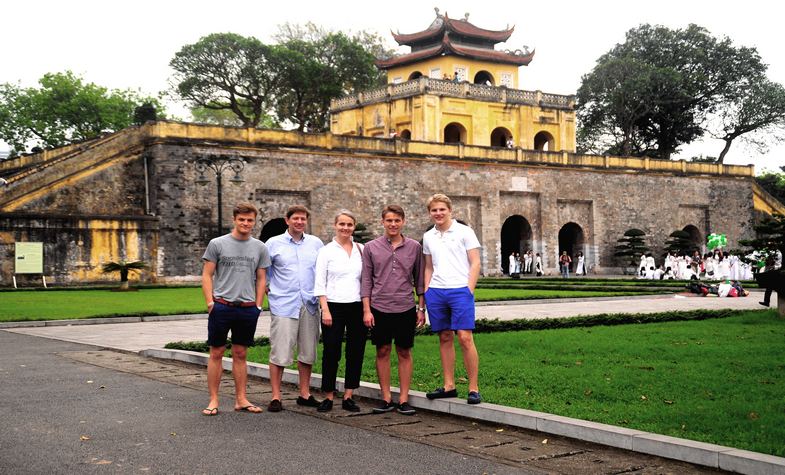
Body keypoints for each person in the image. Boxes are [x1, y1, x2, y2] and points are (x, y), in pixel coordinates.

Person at [201, 202, 271, 416]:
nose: (246, 223)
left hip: (247, 308)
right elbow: (207, 274)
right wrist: (210, 303)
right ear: (234, 219)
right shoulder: (217, 244)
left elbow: (261, 278)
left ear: (254, 221)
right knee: (217, 352)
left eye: (250, 220)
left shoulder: (259, 247)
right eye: (242, 219)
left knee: (241, 353)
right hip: (222, 306)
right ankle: (213, 399)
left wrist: (258, 305)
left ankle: (241, 399)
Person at [361, 205, 425, 415]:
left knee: (404, 351)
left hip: (405, 306)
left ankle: (404, 398)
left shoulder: (414, 247)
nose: (393, 224)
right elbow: (366, 280)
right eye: (389, 220)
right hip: (379, 307)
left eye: (397, 220)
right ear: (383, 222)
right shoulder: (371, 247)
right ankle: (386, 397)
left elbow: (420, 280)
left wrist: (421, 308)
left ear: (403, 222)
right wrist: (366, 310)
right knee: (382, 350)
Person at [422, 194, 482, 404]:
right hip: (437, 291)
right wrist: (427, 290)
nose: (438, 214)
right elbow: (428, 266)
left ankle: (473, 388)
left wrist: (469, 289)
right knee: (444, 337)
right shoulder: (429, 236)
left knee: (465, 337)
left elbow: (475, 263)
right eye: (434, 210)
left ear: (450, 210)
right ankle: (449, 385)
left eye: (442, 210)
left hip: (460, 290)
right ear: (430, 213)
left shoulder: (465, 232)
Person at [265, 205, 324, 412]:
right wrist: (268, 290)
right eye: (296, 218)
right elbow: (264, 272)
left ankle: (305, 394)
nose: (299, 222)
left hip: (309, 304)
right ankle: (275, 396)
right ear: (287, 220)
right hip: (284, 304)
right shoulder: (273, 243)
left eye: (303, 219)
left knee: (308, 353)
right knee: (279, 352)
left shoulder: (316, 244)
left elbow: (322, 271)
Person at [313, 210, 366, 412]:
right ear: (335, 225)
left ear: (354, 226)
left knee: (355, 351)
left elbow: (366, 281)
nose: (345, 228)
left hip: (357, 306)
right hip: (333, 306)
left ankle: (349, 395)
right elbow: (319, 282)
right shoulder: (326, 251)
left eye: (349, 224)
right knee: (331, 351)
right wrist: (324, 309)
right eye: (342, 224)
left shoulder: (361, 249)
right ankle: (328, 395)